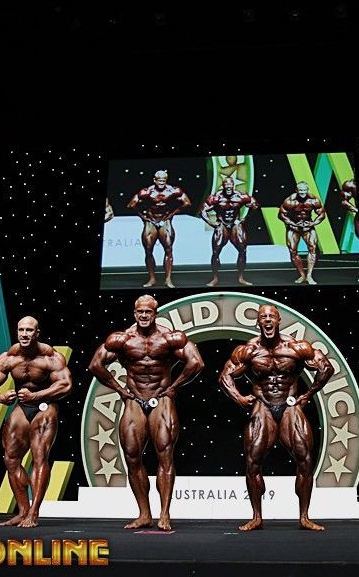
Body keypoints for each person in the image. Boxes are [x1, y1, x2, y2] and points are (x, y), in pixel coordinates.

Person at [88, 295, 204, 530]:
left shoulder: (169, 338)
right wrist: (120, 389)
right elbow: (95, 365)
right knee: (131, 456)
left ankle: (164, 513)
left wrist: (174, 387)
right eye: (140, 311)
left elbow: (196, 362)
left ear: (155, 313)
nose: (143, 315)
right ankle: (144, 514)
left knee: (165, 455)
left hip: (161, 398)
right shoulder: (123, 339)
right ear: (134, 313)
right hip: (134, 399)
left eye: (148, 312)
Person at [218, 304, 334, 531]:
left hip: (289, 405)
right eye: (263, 317)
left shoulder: (297, 347)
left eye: (272, 316)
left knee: (305, 459)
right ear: (258, 322)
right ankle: (256, 517)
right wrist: (239, 398)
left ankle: (304, 517)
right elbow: (225, 377)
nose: (268, 320)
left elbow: (326, 368)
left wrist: (308, 394)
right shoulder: (249, 350)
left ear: (279, 320)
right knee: (253, 461)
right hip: (263, 405)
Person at [0, 316, 72, 528]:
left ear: (37, 333)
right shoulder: (8, 357)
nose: (24, 334)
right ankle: (22, 510)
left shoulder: (51, 356)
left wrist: (37, 395)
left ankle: (34, 512)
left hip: (45, 406)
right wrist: (0, 397)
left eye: (29, 330)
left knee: (39, 456)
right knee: (10, 459)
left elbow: (66, 385)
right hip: (22, 407)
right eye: (21, 330)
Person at [126, 169, 192, 288]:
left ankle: (168, 280)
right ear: (154, 180)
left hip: (165, 220)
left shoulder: (173, 191)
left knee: (168, 249)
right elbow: (131, 205)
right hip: (151, 221)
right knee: (148, 249)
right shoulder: (147, 192)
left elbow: (187, 203)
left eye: (163, 180)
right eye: (159, 180)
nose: (161, 183)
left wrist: (172, 214)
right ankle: (152, 279)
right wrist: (143, 217)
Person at [200, 175, 260, 286]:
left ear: (233, 185)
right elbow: (202, 210)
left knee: (242, 250)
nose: (228, 186)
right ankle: (215, 278)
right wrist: (210, 222)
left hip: (235, 224)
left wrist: (244, 218)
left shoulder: (240, 196)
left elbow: (255, 205)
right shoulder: (216, 198)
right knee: (215, 252)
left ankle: (241, 277)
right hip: (222, 224)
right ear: (223, 186)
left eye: (230, 184)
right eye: (226, 184)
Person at [278, 182, 326, 285]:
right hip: (293, 227)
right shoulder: (290, 201)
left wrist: (313, 223)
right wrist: (291, 223)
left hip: (308, 227)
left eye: (304, 190)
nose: (302, 192)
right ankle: (302, 275)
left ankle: (309, 275)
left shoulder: (314, 200)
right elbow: (281, 215)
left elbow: (322, 214)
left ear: (307, 190)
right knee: (293, 251)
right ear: (296, 190)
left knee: (313, 249)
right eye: (300, 190)